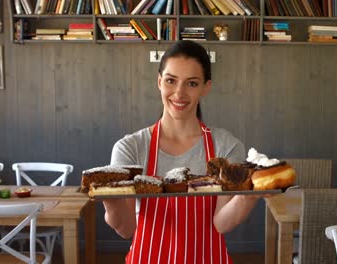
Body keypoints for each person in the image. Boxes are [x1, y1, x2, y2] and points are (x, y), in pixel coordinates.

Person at [103, 40, 261, 264]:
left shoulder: (227, 146)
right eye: (171, 81)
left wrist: (251, 195)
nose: (179, 93)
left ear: (206, 87)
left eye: (192, 83)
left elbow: (221, 223)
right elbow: (126, 229)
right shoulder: (130, 148)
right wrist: (109, 199)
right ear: (159, 82)